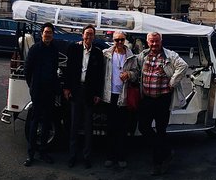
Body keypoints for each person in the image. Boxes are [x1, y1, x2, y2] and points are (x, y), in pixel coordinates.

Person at [137, 31, 188, 176]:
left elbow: (183, 66)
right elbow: (134, 67)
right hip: (146, 99)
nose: (154, 44)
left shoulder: (169, 55)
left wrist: (173, 82)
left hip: (162, 99)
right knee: (143, 127)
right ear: (148, 42)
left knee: (160, 131)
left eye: (156, 41)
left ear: (161, 41)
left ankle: (157, 164)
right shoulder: (143, 56)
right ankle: (166, 151)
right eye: (151, 41)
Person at [63, 24, 105, 169]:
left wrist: (98, 94)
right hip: (76, 90)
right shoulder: (74, 49)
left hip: (89, 93)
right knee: (74, 125)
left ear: (94, 37)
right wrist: (67, 88)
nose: (88, 37)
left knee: (88, 127)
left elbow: (100, 75)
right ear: (82, 35)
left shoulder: (98, 53)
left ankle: (87, 157)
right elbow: (68, 70)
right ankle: (72, 156)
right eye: (86, 34)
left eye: (91, 34)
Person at [23, 22, 60, 167]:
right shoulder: (34, 49)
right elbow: (27, 70)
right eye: (46, 32)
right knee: (34, 123)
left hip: (49, 91)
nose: (48, 34)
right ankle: (31, 154)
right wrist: (32, 86)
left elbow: (55, 69)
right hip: (37, 91)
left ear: (52, 35)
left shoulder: (54, 50)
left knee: (46, 123)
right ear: (41, 34)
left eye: (50, 32)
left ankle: (43, 152)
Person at [102, 30, 138, 169]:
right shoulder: (106, 54)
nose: (119, 42)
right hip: (110, 95)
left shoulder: (131, 56)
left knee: (123, 129)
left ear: (125, 40)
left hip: (123, 96)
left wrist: (128, 74)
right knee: (110, 128)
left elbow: (136, 74)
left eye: (121, 40)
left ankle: (121, 156)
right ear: (113, 40)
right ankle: (110, 156)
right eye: (117, 40)